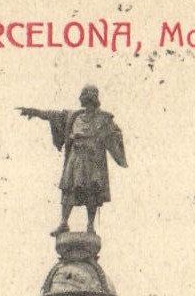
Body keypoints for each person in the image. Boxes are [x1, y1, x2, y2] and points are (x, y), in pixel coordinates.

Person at [19, 86, 127, 235]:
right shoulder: (74, 116)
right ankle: (64, 222)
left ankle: (90, 225)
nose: (81, 98)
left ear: (91, 99)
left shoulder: (103, 119)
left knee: (92, 191)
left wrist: (112, 139)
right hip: (76, 156)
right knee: (68, 189)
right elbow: (53, 115)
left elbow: (115, 134)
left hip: (92, 159)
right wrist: (36, 112)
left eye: (84, 96)